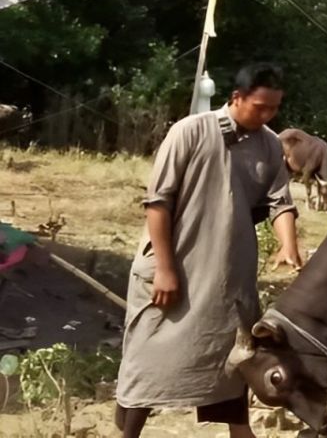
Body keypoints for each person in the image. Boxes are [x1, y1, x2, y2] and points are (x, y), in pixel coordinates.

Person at [114, 62, 304, 438]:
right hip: (175, 269)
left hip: (226, 277)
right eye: (260, 107)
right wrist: (166, 269)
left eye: (275, 108)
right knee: (147, 360)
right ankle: (127, 434)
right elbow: (158, 204)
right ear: (236, 98)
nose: (268, 115)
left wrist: (288, 244)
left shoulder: (268, 143)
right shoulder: (189, 132)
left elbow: (280, 202)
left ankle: (240, 432)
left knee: (230, 362)